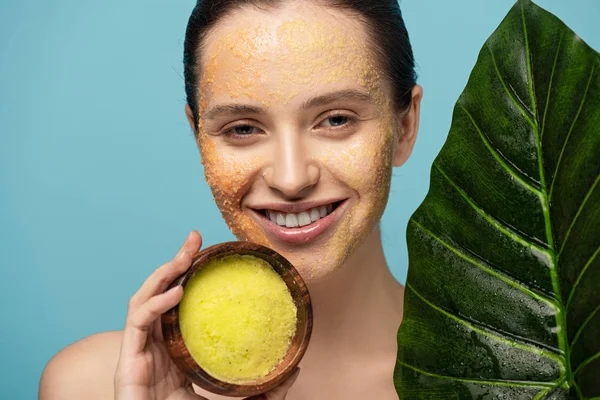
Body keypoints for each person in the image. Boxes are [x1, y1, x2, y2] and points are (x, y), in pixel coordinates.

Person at [39, 0, 422, 398]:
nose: (291, 179)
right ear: (198, 135)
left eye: (336, 119)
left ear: (406, 125)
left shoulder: (482, 378)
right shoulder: (91, 384)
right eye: (243, 128)